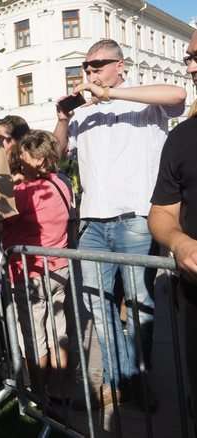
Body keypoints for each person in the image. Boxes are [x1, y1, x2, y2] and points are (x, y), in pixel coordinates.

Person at [53, 38, 186, 406]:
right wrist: (63, 118)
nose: (90, 72)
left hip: (135, 219)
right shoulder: (82, 113)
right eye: (87, 67)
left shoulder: (144, 103)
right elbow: (55, 154)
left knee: (140, 306)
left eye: (98, 65)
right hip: (92, 222)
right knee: (99, 305)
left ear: (120, 65)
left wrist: (113, 94)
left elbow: (177, 95)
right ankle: (119, 379)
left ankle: (135, 382)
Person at [2, 130, 72, 410]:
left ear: (40, 160)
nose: (20, 160)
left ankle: (40, 396)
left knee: (34, 337)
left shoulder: (24, 193)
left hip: (30, 273)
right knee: (59, 331)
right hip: (60, 267)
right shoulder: (62, 183)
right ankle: (60, 390)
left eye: (25, 155)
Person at [148, 29, 197, 419]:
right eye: (189, 58)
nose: (191, 67)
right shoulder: (181, 139)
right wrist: (179, 242)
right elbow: (162, 213)